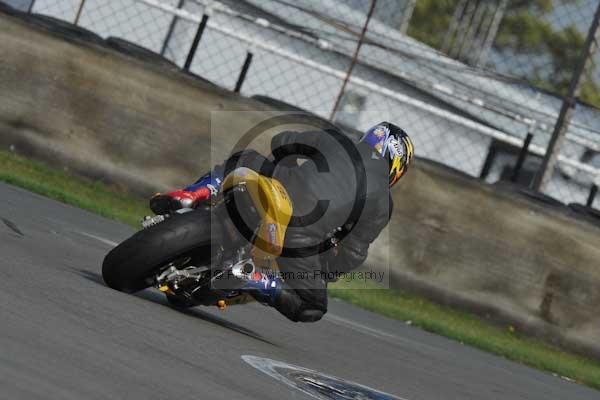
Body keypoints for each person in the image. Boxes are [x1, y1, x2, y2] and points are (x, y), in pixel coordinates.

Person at [150, 122, 414, 322]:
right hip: (299, 236)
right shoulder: (383, 202)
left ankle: (192, 194)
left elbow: (282, 141)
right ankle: (253, 277)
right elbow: (354, 252)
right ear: (397, 168)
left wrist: (287, 166)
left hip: (276, 187)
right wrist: (325, 272)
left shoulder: (336, 139)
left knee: (247, 158)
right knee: (313, 306)